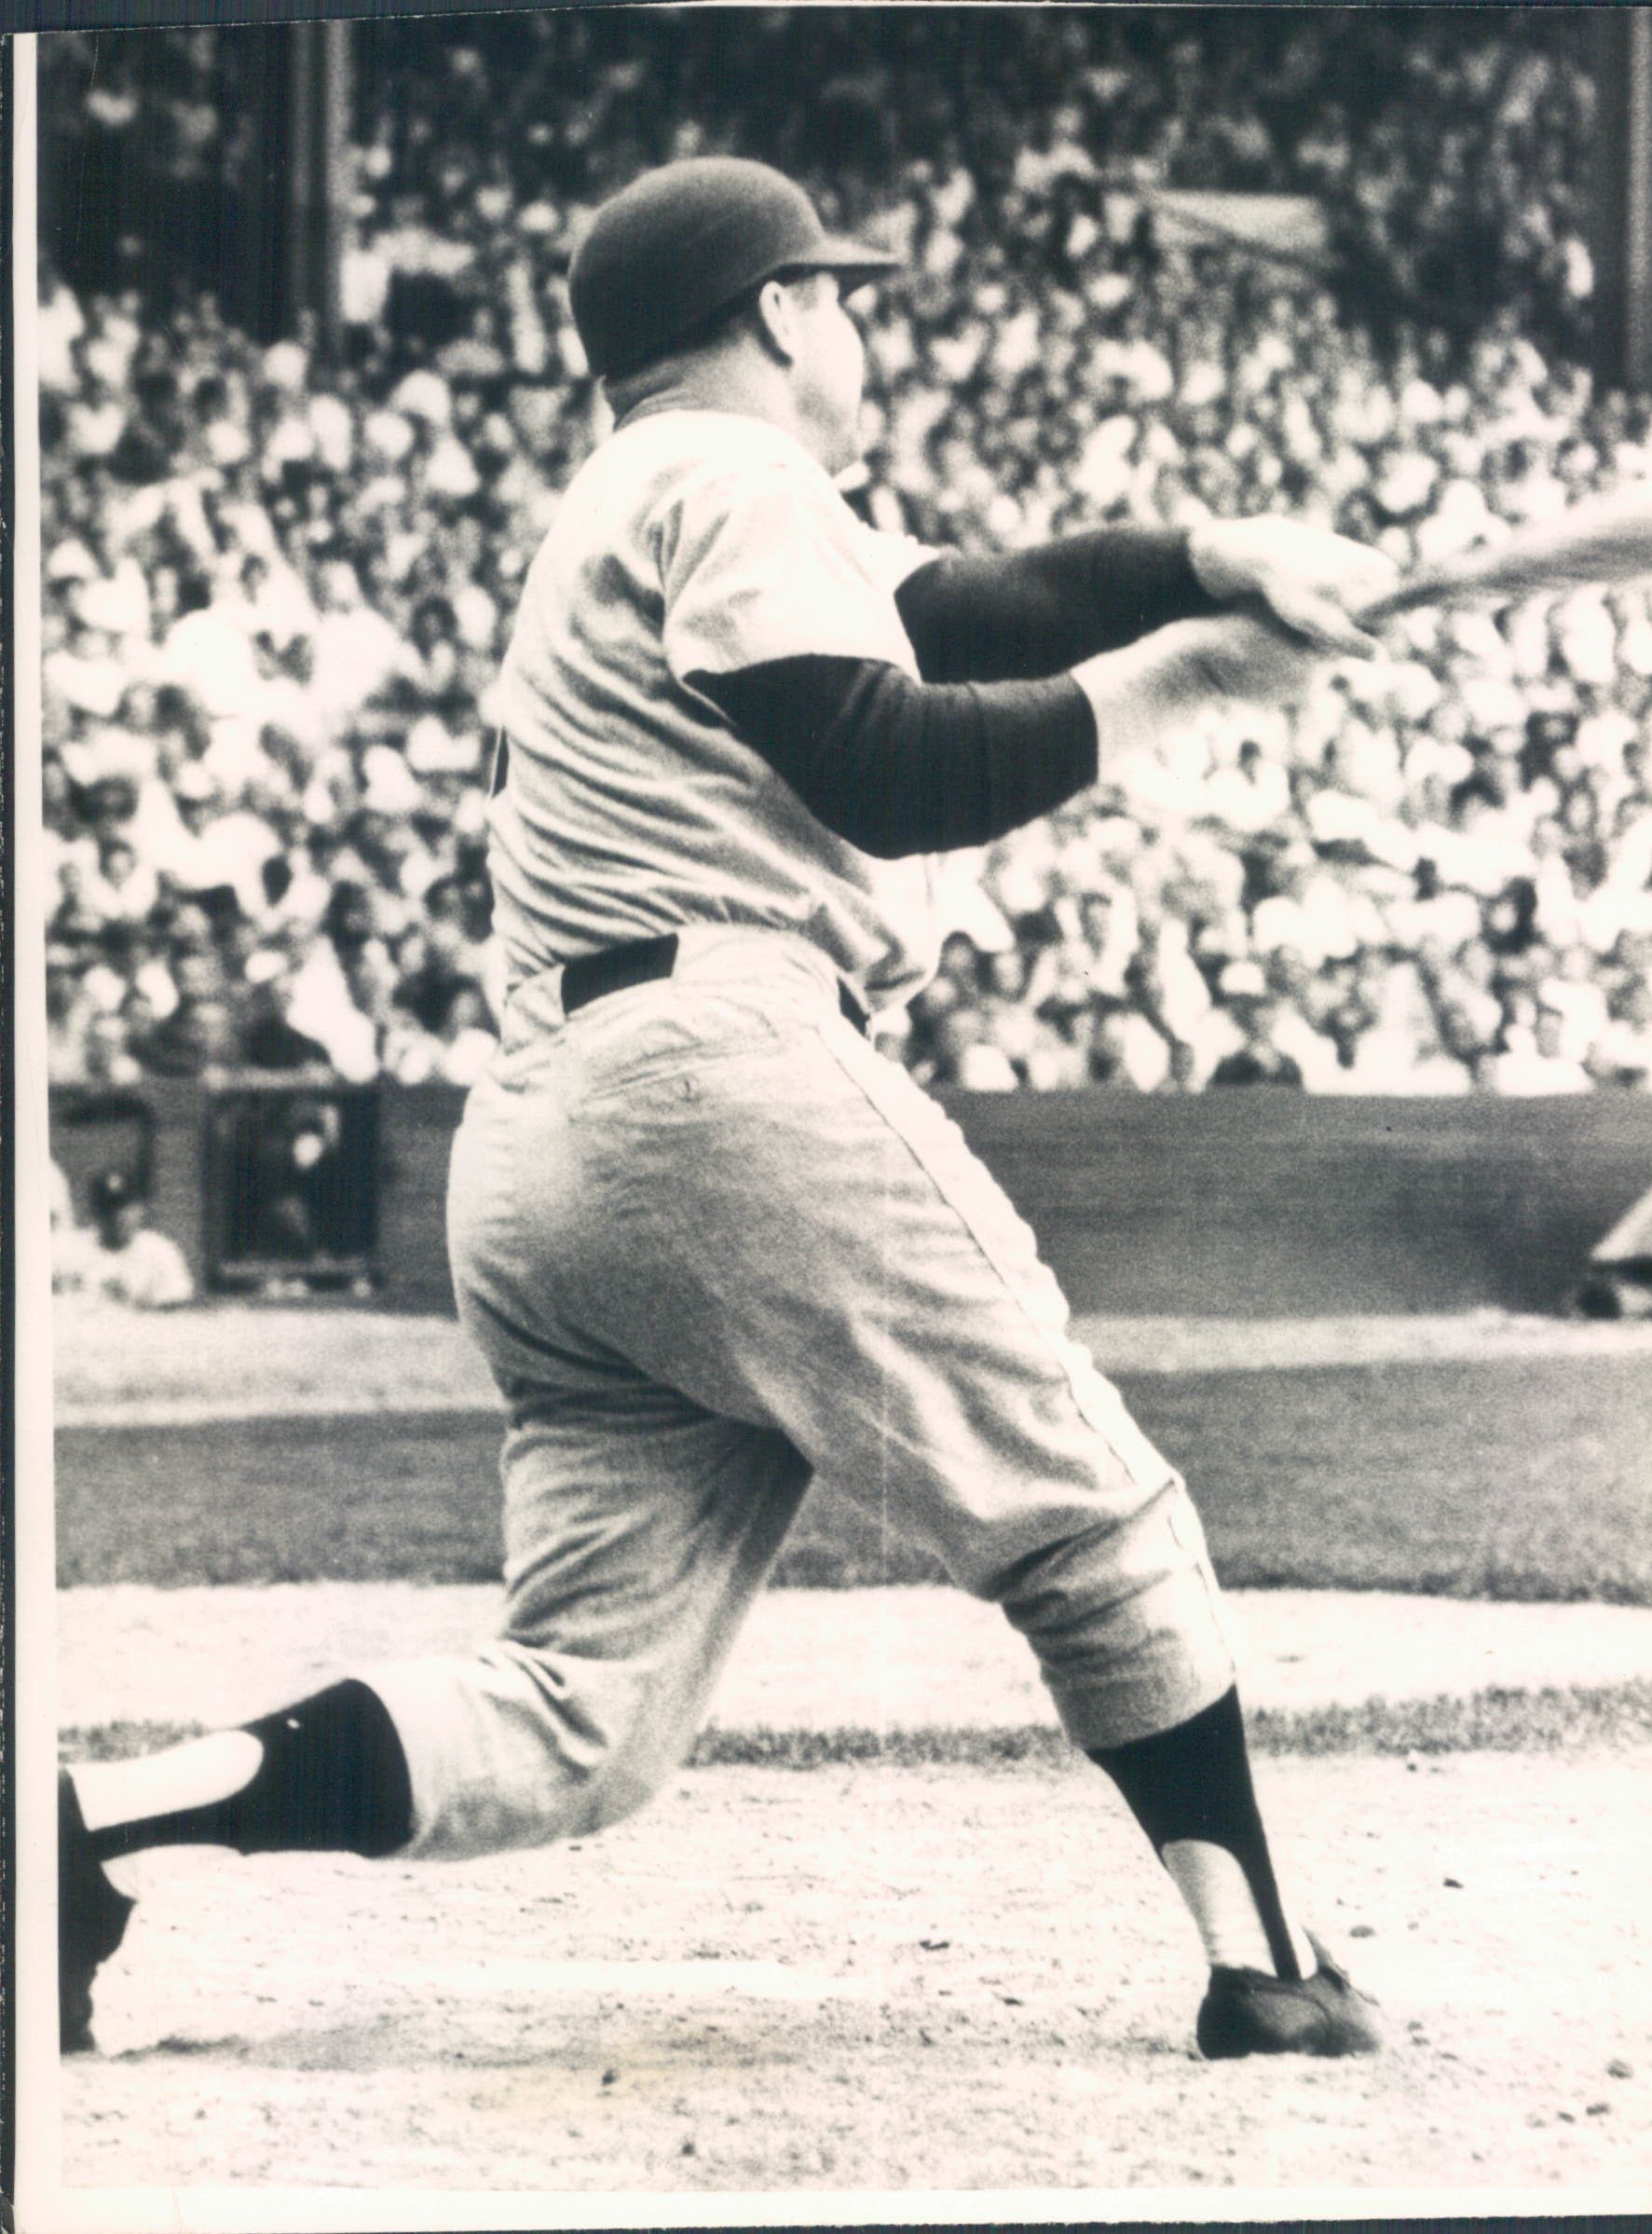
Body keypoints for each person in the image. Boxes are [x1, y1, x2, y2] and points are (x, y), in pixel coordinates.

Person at [60, 158, 1399, 2065]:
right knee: (1090, 1505)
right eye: (832, 293)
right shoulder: (723, 472)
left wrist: (1208, 552)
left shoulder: (660, 495)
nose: (848, 319)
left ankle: (78, 1833)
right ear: (775, 312)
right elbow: (883, 763)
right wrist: (1171, 682)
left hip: (546, 1141)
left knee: (580, 1711)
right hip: (713, 1074)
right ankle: (1267, 1961)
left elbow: (973, 602)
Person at [51, 1170, 195, 1311]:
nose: (118, 1216)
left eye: (125, 1207)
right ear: (94, 1210)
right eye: (109, 1206)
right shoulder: (68, 1250)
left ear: (141, 1209)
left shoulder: (159, 1252)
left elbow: (177, 1310)